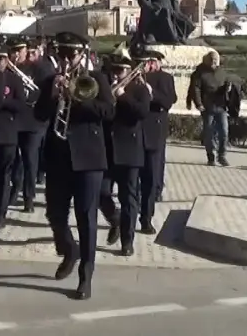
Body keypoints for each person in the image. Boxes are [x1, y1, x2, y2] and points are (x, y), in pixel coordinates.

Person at [35, 32, 115, 300]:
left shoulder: (97, 79)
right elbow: (38, 114)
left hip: (89, 158)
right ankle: (70, 249)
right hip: (58, 158)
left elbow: (108, 112)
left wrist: (81, 99)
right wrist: (52, 94)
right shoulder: (51, 80)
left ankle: (86, 275)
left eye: (72, 54)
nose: (67, 59)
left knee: (86, 217)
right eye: (62, 54)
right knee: (55, 214)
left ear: (83, 54)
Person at [98, 52, 150, 256]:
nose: (117, 75)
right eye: (114, 71)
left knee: (129, 198)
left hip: (130, 151)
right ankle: (115, 219)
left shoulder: (140, 89)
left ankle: (127, 241)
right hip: (108, 150)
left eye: (121, 71)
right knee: (101, 193)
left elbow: (141, 112)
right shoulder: (105, 90)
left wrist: (122, 96)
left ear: (129, 71)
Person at [8, 37, 45, 213]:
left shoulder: (38, 68)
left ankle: (29, 197)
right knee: (14, 160)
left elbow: (44, 91)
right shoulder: (8, 70)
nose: (16, 54)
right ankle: (15, 190)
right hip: (14, 119)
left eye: (19, 50)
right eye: (13, 51)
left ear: (26, 50)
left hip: (33, 120)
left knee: (30, 159)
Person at [0, 43, 24, 229]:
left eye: (1, 59)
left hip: (7, 133)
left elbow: (20, 105)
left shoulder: (13, 80)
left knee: (4, 176)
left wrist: (1, 102)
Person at [139, 49, 175, 220]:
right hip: (137, 127)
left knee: (155, 165)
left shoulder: (165, 78)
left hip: (156, 126)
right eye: (147, 61)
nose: (149, 65)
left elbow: (168, 101)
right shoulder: (138, 76)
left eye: (152, 61)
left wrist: (150, 93)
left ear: (159, 63)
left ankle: (156, 192)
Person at [187, 50, 232, 166]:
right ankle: (211, 156)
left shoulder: (222, 72)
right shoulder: (200, 73)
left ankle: (222, 156)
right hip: (207, 107)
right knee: (209, 132)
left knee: (224, 131)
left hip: (221, 106)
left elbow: (226, 84)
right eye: (211, 60)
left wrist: (228, 89)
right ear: (207, 60)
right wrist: (198, 104)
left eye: (215, 60)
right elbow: (195, 89)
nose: (214, 62)